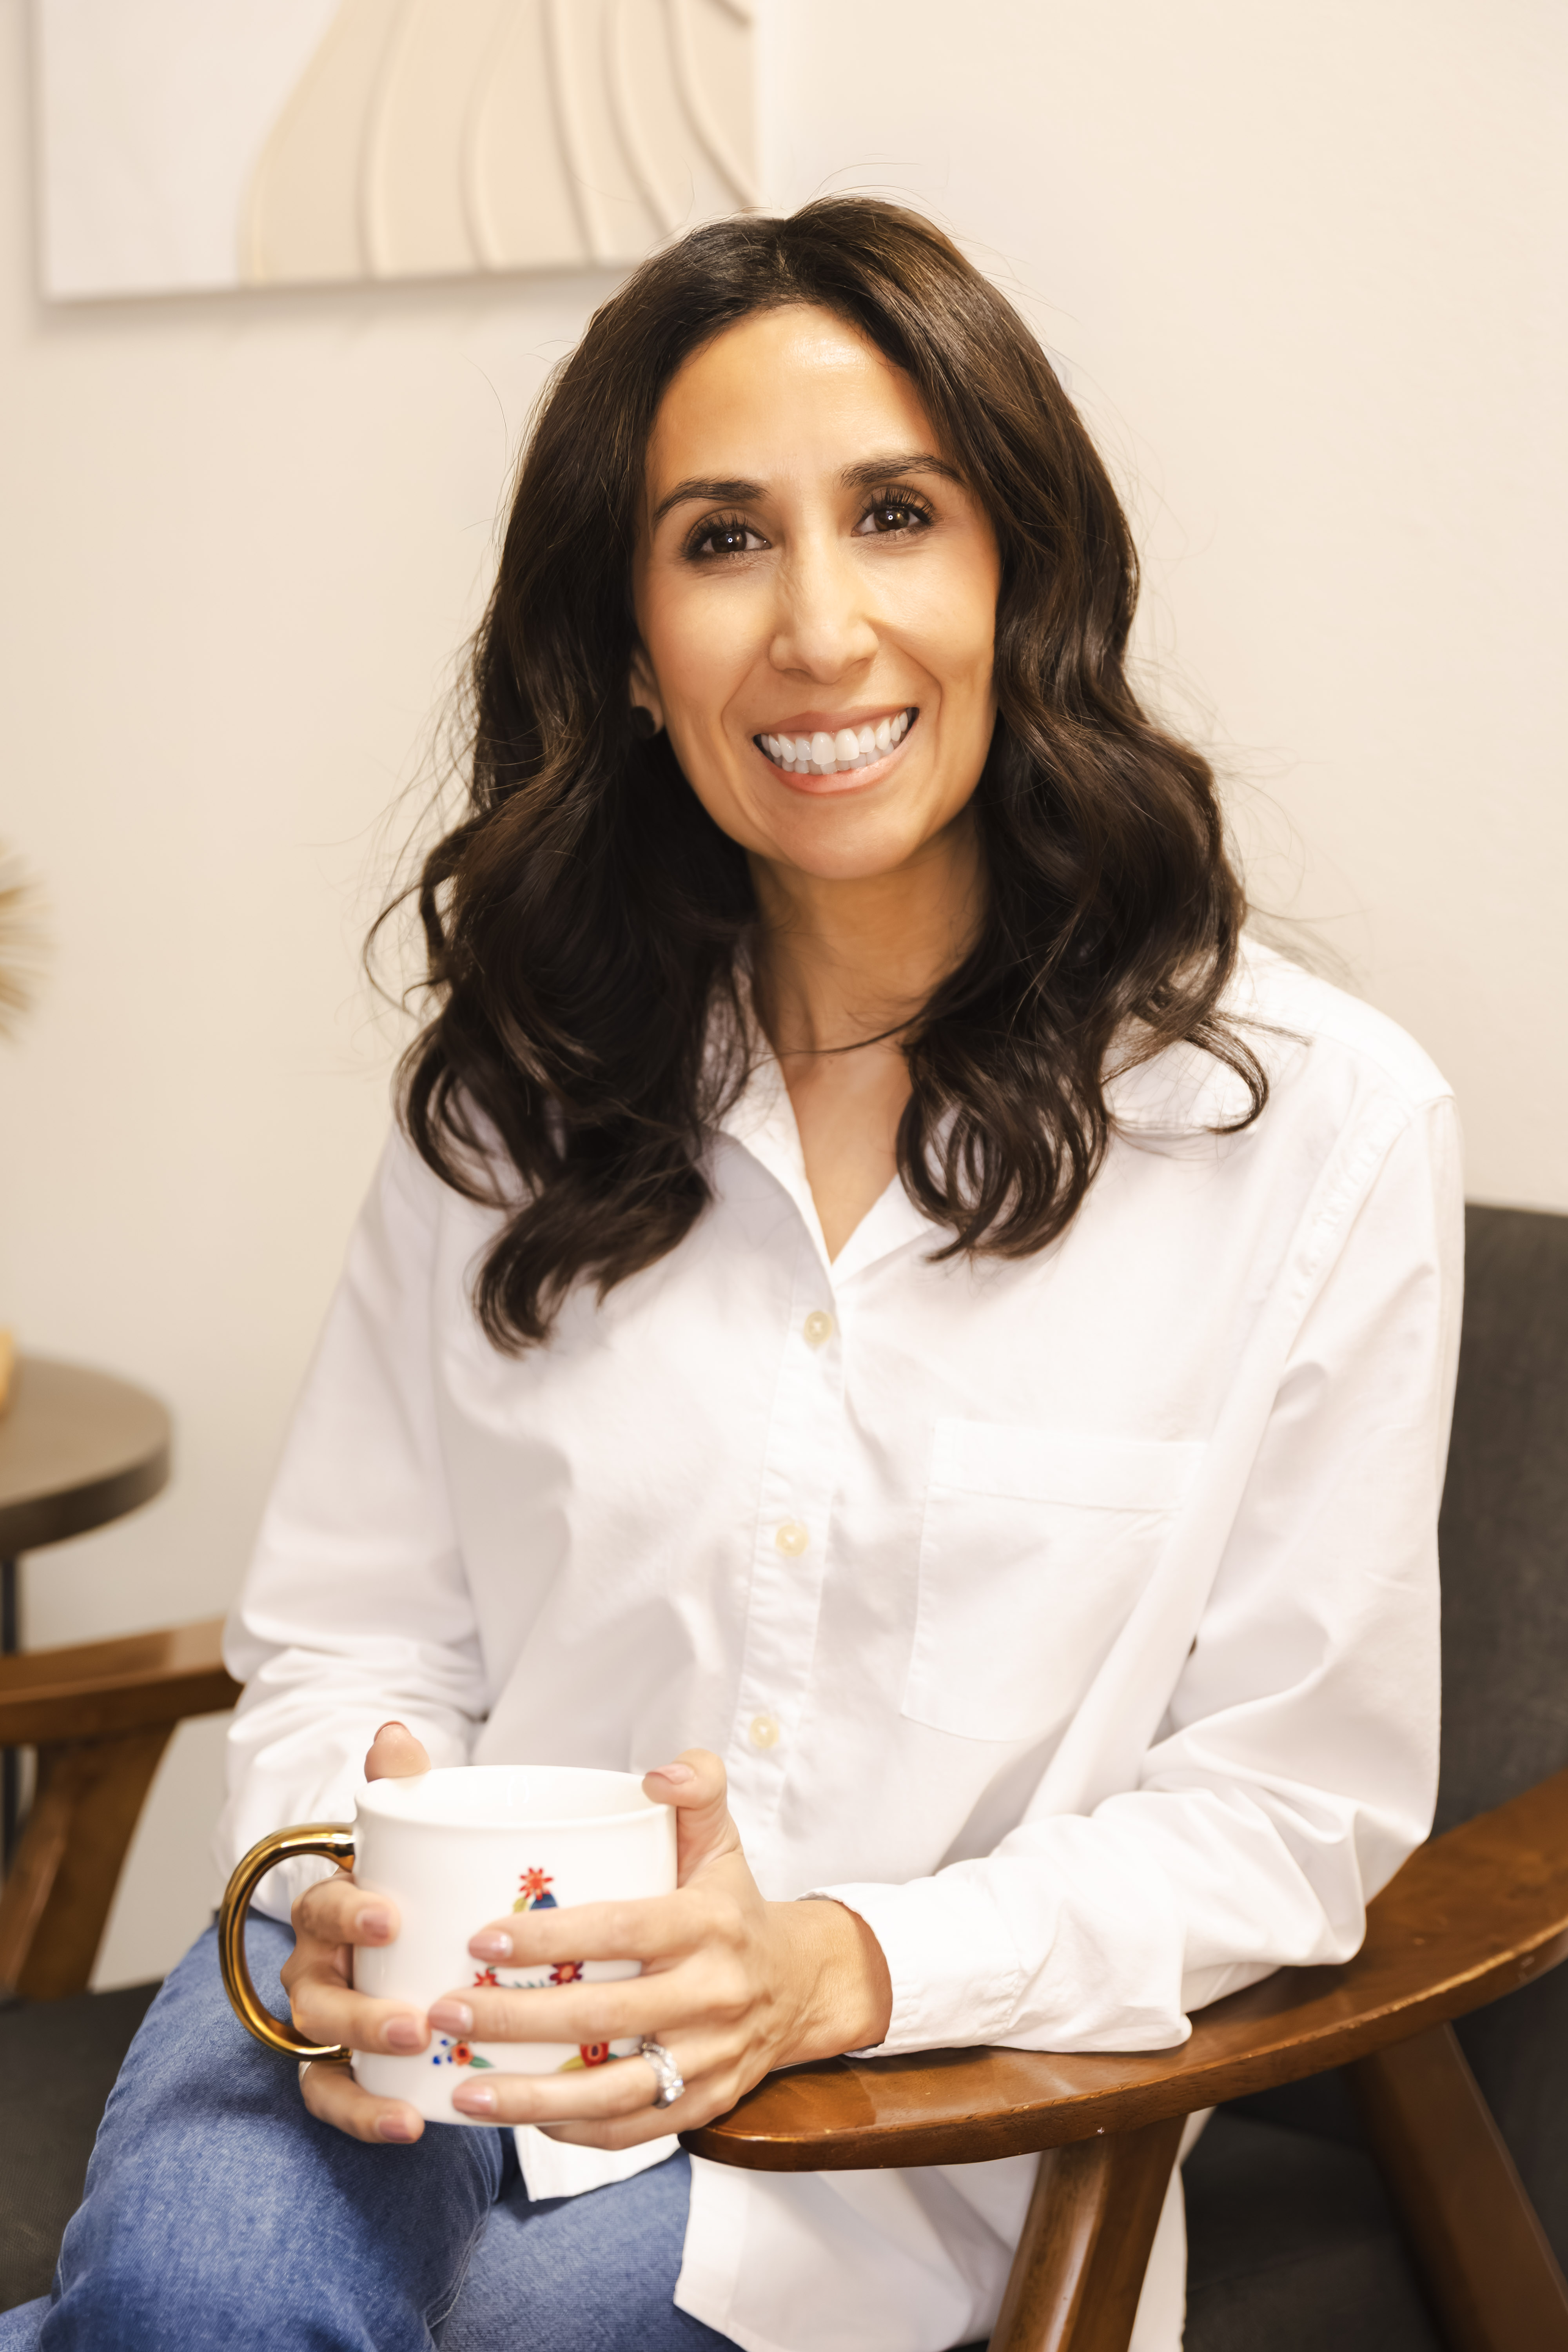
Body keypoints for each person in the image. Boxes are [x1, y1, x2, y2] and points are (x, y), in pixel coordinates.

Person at [1, 198, 1461, 2352]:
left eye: (895, 513)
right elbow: (348, 1629)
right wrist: (328, 1884)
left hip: (875, 2109)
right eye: (720, 539)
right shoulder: (508, 1091)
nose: (820, 626)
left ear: (1021, 572)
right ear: (625, 637)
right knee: (195, 2301)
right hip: (410, 2032)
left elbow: (1282, 1815)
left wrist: (842, 1960)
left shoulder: (1312, 1133)